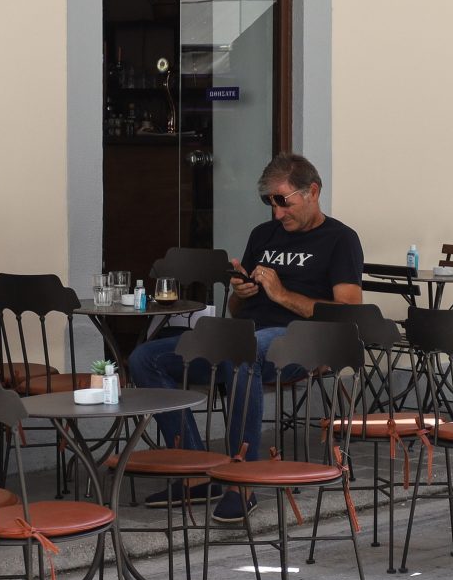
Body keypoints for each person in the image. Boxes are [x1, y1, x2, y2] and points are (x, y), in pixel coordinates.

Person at [128, 152, 363, 522]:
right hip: (246, 335)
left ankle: (243, 480)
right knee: (145, 358)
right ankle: (197, 471)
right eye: (270, 202)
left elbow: (347, 311)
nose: (277, 212)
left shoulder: (340, 239)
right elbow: (238, 310)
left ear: (313, 192)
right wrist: (241, 292)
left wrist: (282, 295)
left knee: (242, 352)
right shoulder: (262, 235)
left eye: (283, 201)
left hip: (302, 342)